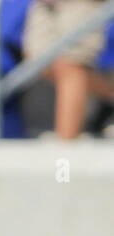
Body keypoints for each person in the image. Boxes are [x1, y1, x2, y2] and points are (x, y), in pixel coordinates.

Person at [23, 0, 114, 139]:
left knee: (71, 65)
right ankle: (110, 92)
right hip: (45, 5)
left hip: (80, 4)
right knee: (39, 65)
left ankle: (66, 144)